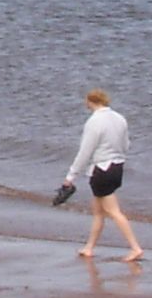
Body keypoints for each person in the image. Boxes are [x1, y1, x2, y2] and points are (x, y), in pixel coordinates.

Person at [55, 87, 141, 261]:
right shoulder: (120, 118)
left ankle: (135, 247)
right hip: (117, 167)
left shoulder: (94, 122)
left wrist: (71, 176)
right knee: (98, 212)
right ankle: (89, 247)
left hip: (101, 170)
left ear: (90, 102)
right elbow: (125, 145)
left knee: (113, 211)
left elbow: (85, 151)